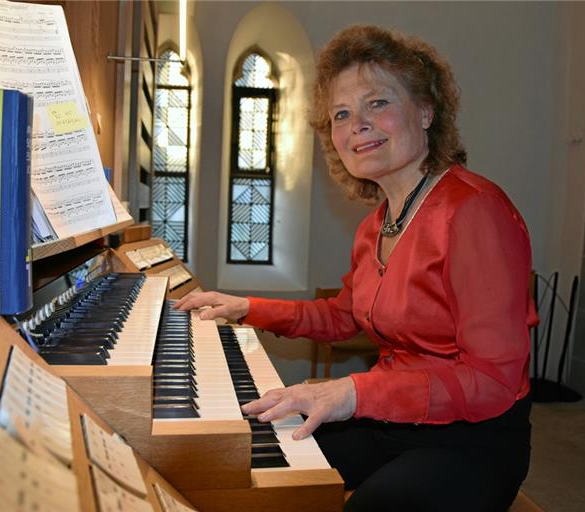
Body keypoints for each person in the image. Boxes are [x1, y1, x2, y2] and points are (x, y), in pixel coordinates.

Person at [176, 24, 536, 511]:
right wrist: (245, 306)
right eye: (341, 114)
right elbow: (344, 317)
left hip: (470, 439)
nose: (356, 124)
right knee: (251, 457)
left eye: (378, 103)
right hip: (388, 420)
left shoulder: (473, 211)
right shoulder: (376, 226)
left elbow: (492, 381)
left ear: (426, 111)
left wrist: (351, 392)